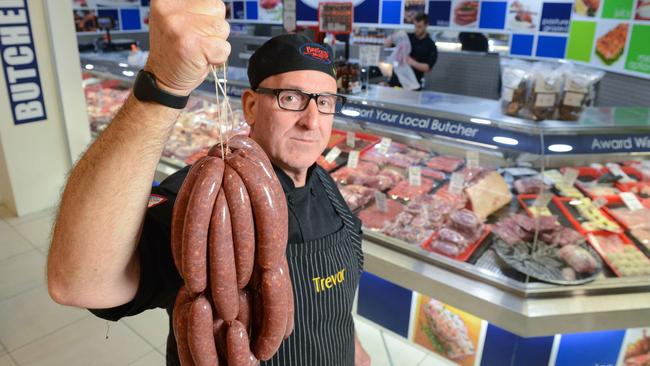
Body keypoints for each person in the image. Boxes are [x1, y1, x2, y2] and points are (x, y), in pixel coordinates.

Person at [46, 1, 371, 365]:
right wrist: (162, 88)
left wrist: (357, 354)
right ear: (249, 106)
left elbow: (336, 304)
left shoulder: (325, 180)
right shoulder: (205, 196)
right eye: (290, 98)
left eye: (325, 101)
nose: (312, 121)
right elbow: (77, 281)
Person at [385, 12, 438, 89]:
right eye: (415, 26)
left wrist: (412, 62)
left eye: (419, 27)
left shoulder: (430, 45)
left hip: (412, 86)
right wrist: (391, 38)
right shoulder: (407, 38)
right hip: (395, 83)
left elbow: (427, 67)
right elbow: (388, 44)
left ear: (426, 25)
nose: (416, 29)